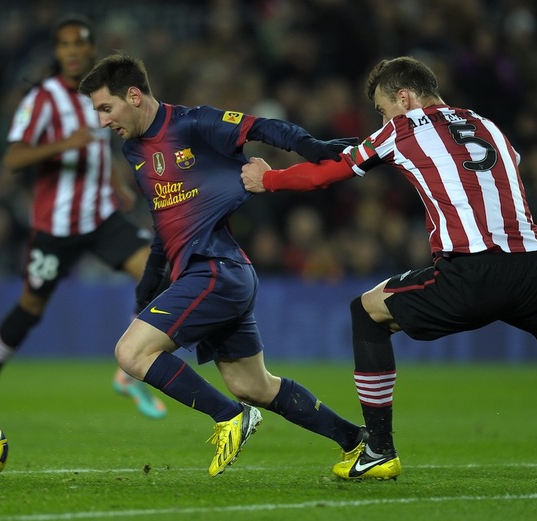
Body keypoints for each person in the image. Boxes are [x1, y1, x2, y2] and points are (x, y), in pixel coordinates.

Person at [241, 56, 537, 480]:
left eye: (383, 109)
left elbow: (329, 173)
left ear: (404, 97)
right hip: (535, 270)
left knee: (367, 312)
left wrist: (268, 180)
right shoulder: (488, 125)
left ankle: (379, 450)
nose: (382, 119)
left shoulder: (403, 129)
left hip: (471, 273)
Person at [78, 53, 366, 477]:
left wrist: (317, 149)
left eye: (106, 108)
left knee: (131, 352)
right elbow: (164, 225)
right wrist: (147, 289)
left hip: (214, 270)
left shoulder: (193, 124)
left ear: (134, 96)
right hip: (220, 273)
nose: (103, 121)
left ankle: (231, 416)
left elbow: (265, 127)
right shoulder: (134, 151)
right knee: (254, 385)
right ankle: (356, 441)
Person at [0, 14, 167, 421]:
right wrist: (63, 144)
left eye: (80, 44)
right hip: (55, 228)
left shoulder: (98, 93)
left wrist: (116, 182)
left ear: (91, 49)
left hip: (101, 216)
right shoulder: (42, 99)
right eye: (65, 45)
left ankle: (129, 374)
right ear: (56, 52)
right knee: (31, 308)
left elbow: (101, 144)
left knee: (158, 277)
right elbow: (14, 157)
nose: (73, 51)